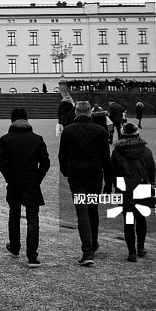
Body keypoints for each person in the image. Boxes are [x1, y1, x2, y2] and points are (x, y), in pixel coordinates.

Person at [59, 101, 112, 266]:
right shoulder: (100, 131)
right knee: (92, 209)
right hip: (95, 174)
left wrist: (65, 171)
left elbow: (62, 155)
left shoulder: (68, 131)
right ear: (90, 113)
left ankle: (87, 251)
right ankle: (94, 242)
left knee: (82, 212)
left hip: (76, 175)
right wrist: (109, 182)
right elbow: (106, 158)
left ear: (76, 112)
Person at [0, 108, 50, 268]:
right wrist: (37, 179)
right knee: (33, 219)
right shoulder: (37, 139)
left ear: (12, 121)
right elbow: (45, 163)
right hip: (31, 182)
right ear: (27, 120)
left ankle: (15, 247)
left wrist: (9, 178)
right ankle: (32, 256)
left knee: (14, 215)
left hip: (14, 182)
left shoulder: (6, 139)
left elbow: (1, 163)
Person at [111, 123, 156, 262]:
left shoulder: (117, 151)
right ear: (137, 134)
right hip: (142, 186)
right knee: (141, 219)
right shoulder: (146, 151)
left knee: (128, 221)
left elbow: (113, 172)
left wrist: (115, 187)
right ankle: (141, 248)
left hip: (124, 189)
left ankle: (131, 252)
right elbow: (151, 170)